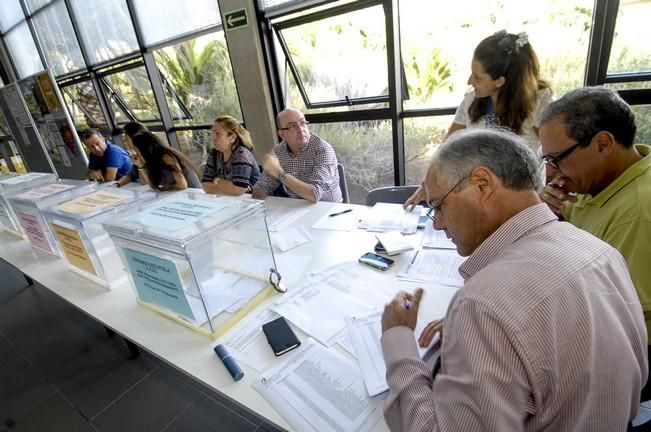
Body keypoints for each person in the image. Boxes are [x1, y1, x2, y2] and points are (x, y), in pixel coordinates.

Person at [381, 128, 647, 431]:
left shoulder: (484, 304)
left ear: (482, 184)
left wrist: (398, 340)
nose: (438, 223)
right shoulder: (602, 252)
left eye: (438, 206)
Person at [538, 86, 651, 402]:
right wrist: (547, 214)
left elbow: (614, 315)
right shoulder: (599, 181)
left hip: (628, 346)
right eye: (545, 158)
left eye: (556, 159)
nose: (549, 172)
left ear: (603, 144)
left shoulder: (639, 210)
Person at [404, 30, 552, 208]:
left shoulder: (538, 102)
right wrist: (428, 185)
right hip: (479, 202)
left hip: (522, 204)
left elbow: (556, 154)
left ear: (500, 81)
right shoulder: (471, 101)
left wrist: (550, 190)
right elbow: (446, 149)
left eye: (477, 77)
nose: (469, 81)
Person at [252, 108, 342, 203]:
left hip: (328, 209)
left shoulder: (322, 149)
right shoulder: (279, 151)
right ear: (282, 134)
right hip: (296, 208)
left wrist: (279, 172)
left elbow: (314, 194)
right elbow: (261, 187)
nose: (300, 129)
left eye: (303, 123)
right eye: (293, 126)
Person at [202, 115, 260, 195]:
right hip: (231, 200)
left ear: (232, 137)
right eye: (213, 133)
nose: (213, 138)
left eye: (218, 134)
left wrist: (217, 180)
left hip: (255, 200)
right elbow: (206, 186)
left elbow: (238, 190)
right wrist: (230, 188)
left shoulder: (242, 155)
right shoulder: (214, 153)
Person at [131, 132, 201, 191]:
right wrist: (140, 166)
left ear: (144, 149)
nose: (135, 153)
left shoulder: (166, 156)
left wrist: (168, 186)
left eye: (136, 149)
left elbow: (182, 185)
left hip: (191, 192)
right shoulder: (151, 160)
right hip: (176, 193)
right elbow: (152, 185)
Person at [114, 121, 148, 188]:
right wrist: (117, 184)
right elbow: (130, 175)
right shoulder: (136, 154)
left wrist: (140, 166)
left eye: (126, 138)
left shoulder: (148, 153)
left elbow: (145, 182)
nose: (124, 141)